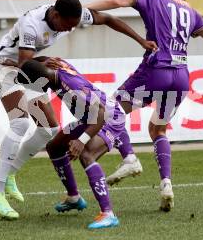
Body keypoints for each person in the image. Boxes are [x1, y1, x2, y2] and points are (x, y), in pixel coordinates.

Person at [0, 0, 157, 219]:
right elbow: (24, 62)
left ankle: (9, 174)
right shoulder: (31, 25)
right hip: (5, 67)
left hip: (32, 68)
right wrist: (42, 63)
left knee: (49, 130)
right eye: (67, 25)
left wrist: (141, 41)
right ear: (55, 15)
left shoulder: (70, 17)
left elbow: (107, 19)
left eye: (74, 25)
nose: (71, 29)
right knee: (20, 123)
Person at [85, 0, 203, 211]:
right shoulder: (190, 9)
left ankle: (129, 158)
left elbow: (116, 1)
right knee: (158, 129)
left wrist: (82, 8)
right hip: (180, 78)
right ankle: (166, 184)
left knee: (111, 110)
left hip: (155, 71)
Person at [17, 56, 132, 229]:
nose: (38, 92)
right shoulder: (53, 67)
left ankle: (108, 214)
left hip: (109, 118)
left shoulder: (73, 88)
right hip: (89, 118)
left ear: (42, 79)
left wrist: (81, 140)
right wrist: (42, 62)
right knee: (54, 147)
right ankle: (74, 198)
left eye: (35, 86)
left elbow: (100, 114)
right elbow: (35, 62)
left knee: (86, 154)